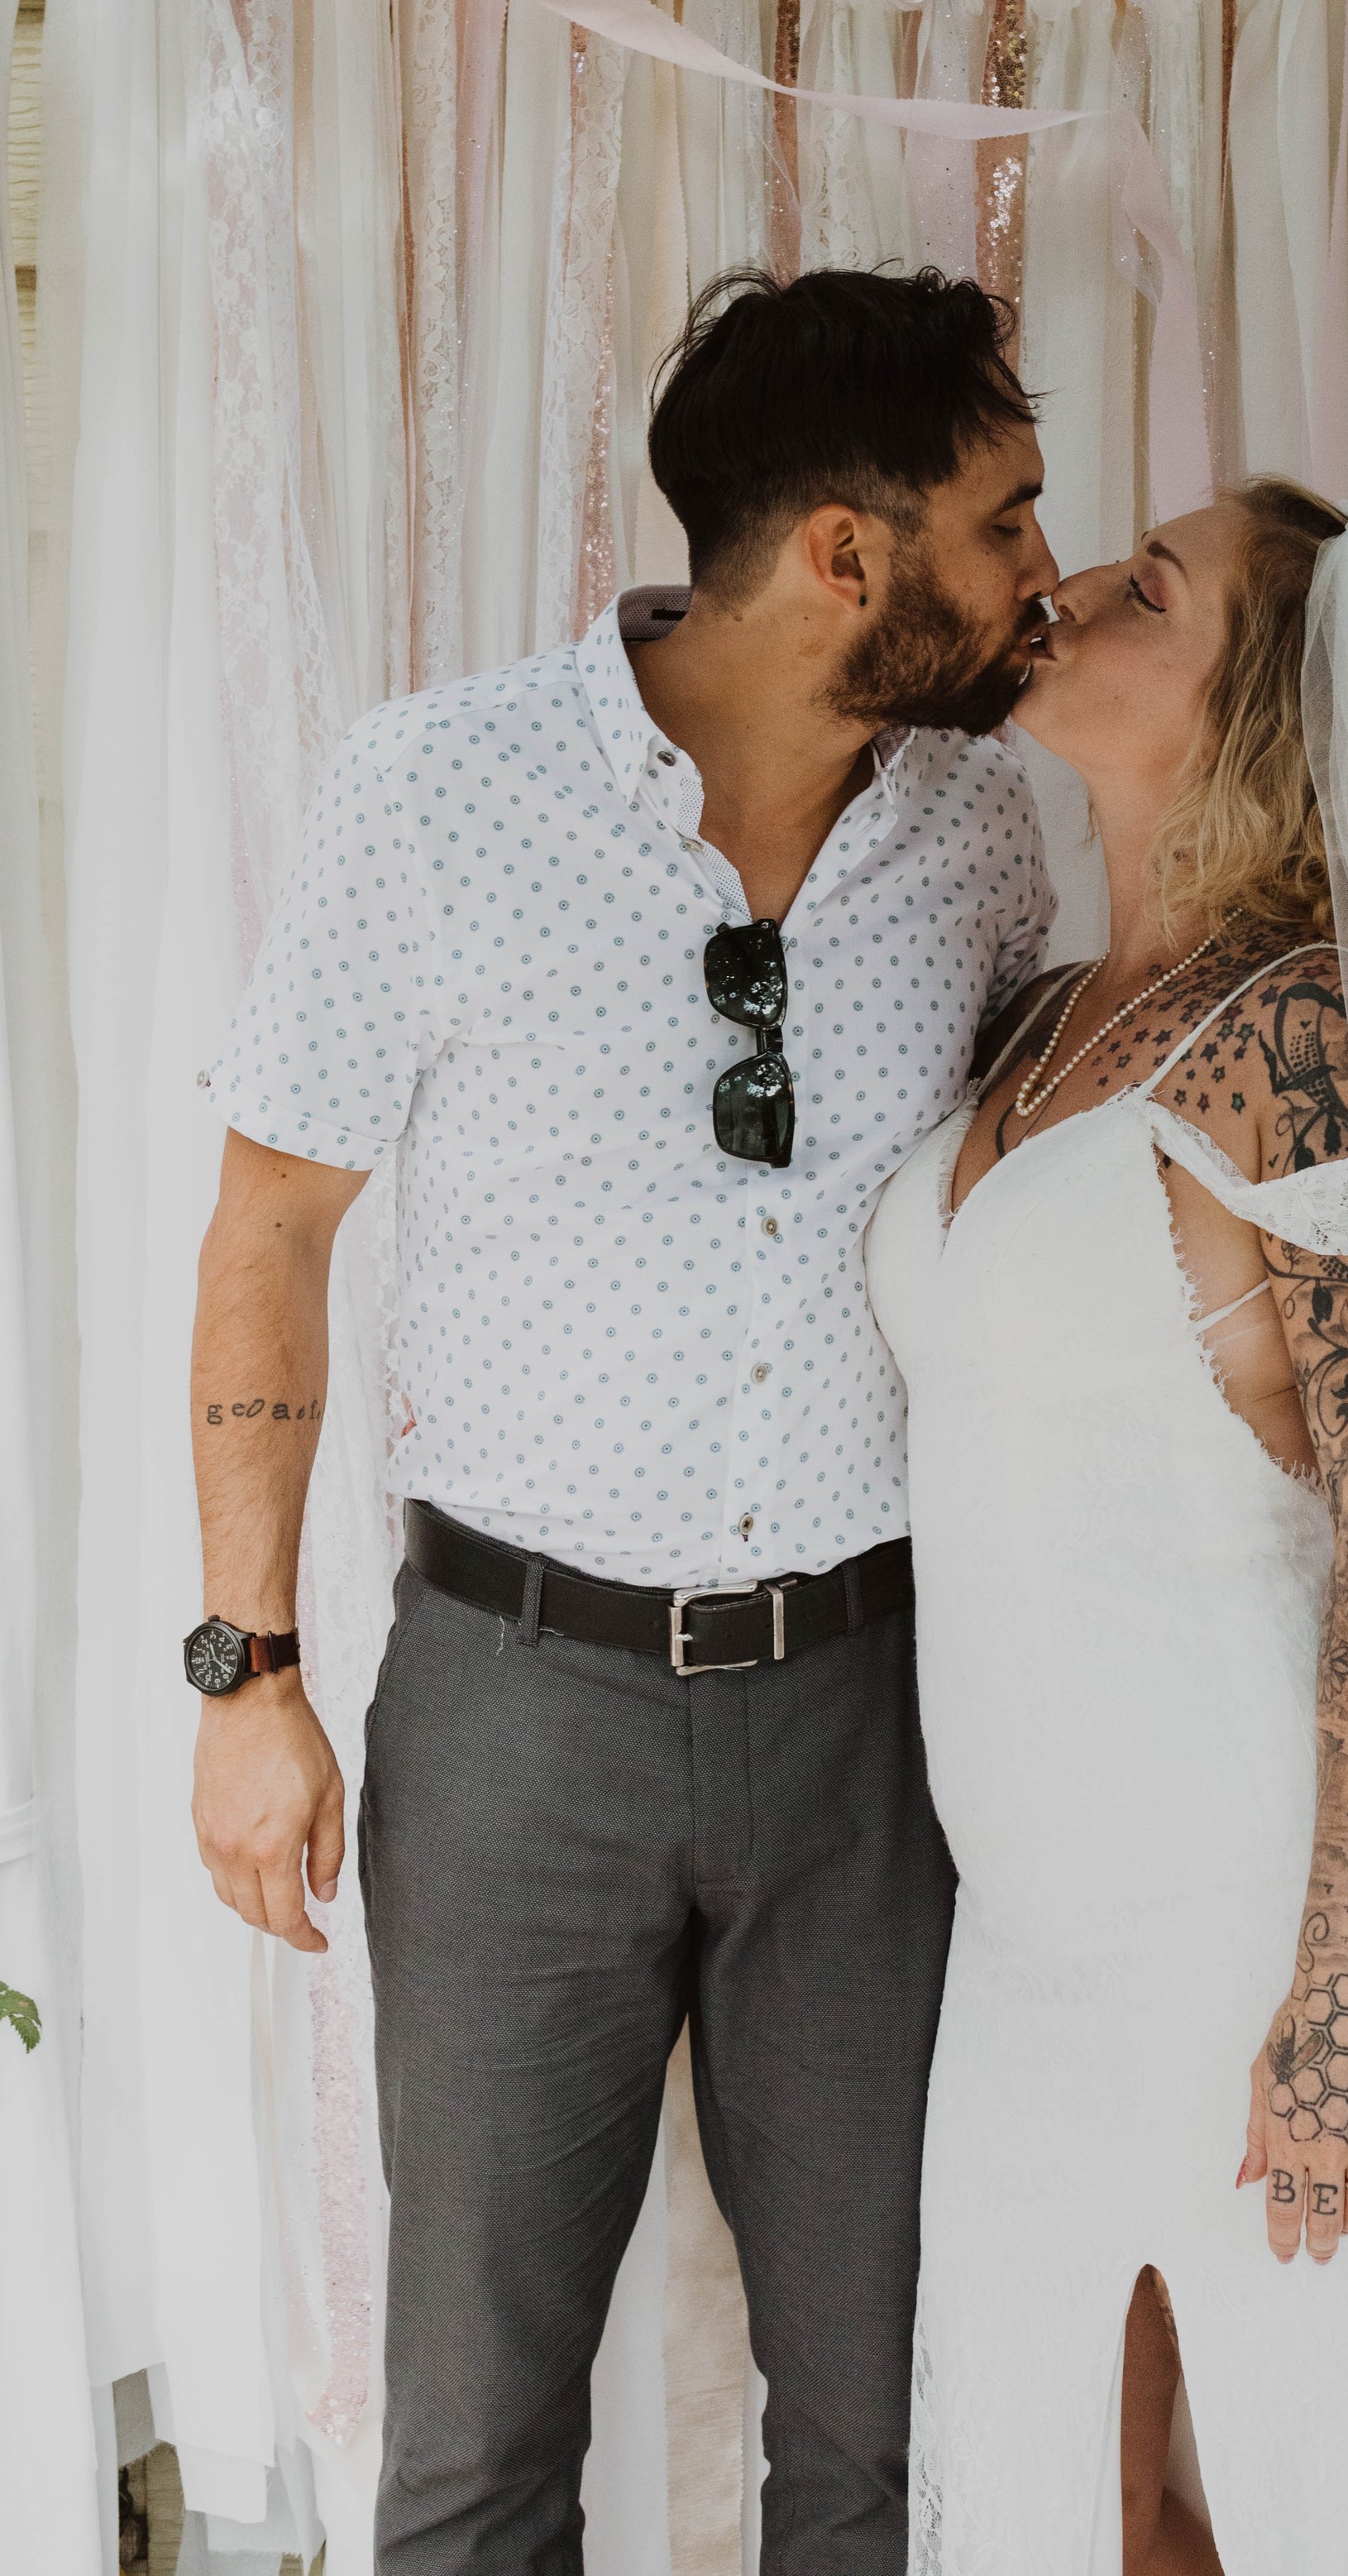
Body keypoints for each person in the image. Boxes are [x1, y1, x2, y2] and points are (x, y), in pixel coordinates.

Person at [184, 266, 1061, 2576]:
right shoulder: (436, 791)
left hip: (872, 1720)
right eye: (1006, 519)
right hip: (513, 1714)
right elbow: (266, 1229)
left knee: (879, 2428)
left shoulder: (979, 838)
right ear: (846, 560)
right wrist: (245, 1673)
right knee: (475, 2445)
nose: (1041, 576)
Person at [867, 481, 1348, 2576]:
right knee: (1064, 2497)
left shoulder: (1312, 1040)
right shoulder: (1027, 1022)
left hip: (1252, 1917)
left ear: (1255, 704)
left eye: (1143, 593)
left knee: (1287, 2492)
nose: (1068, 593)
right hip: (1022, 1945)